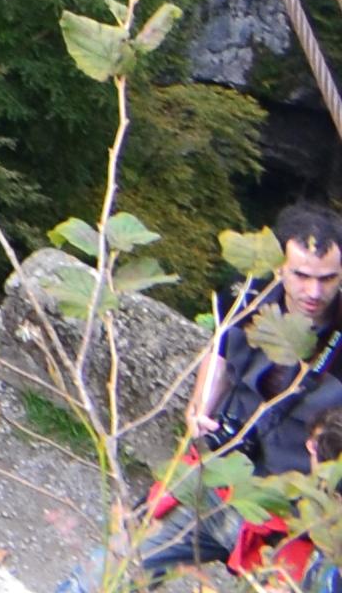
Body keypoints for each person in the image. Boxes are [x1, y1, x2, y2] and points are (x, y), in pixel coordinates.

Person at [139, 206, 342, 581]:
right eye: (301, 276)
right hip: (217, 480)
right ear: (280, 267)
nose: (314, 291)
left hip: (292, 516)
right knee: (116, 566)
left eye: (328, 279)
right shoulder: (246, 296)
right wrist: (200, 410)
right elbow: (217, 356)